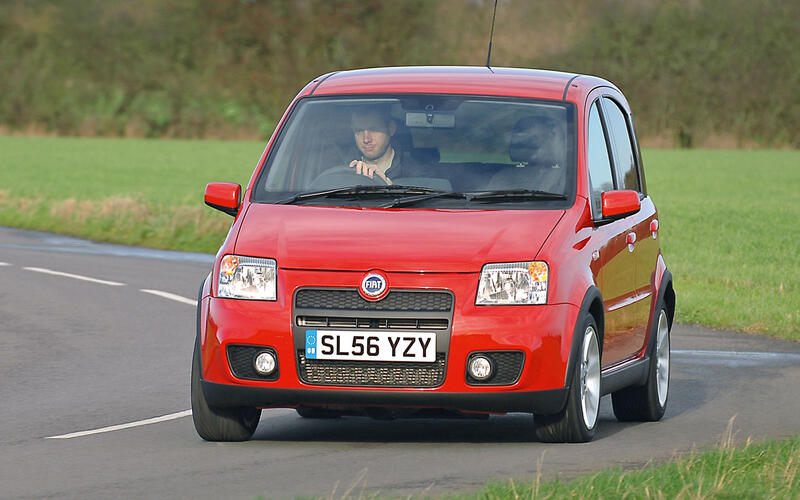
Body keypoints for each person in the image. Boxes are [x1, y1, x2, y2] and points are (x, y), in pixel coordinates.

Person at [348, 105, 403, 185]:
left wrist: (391, 188)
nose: (366, 139)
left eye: (373, 130)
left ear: (391, 129)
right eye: (359, 131)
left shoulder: (415, 172)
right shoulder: (341, 168)